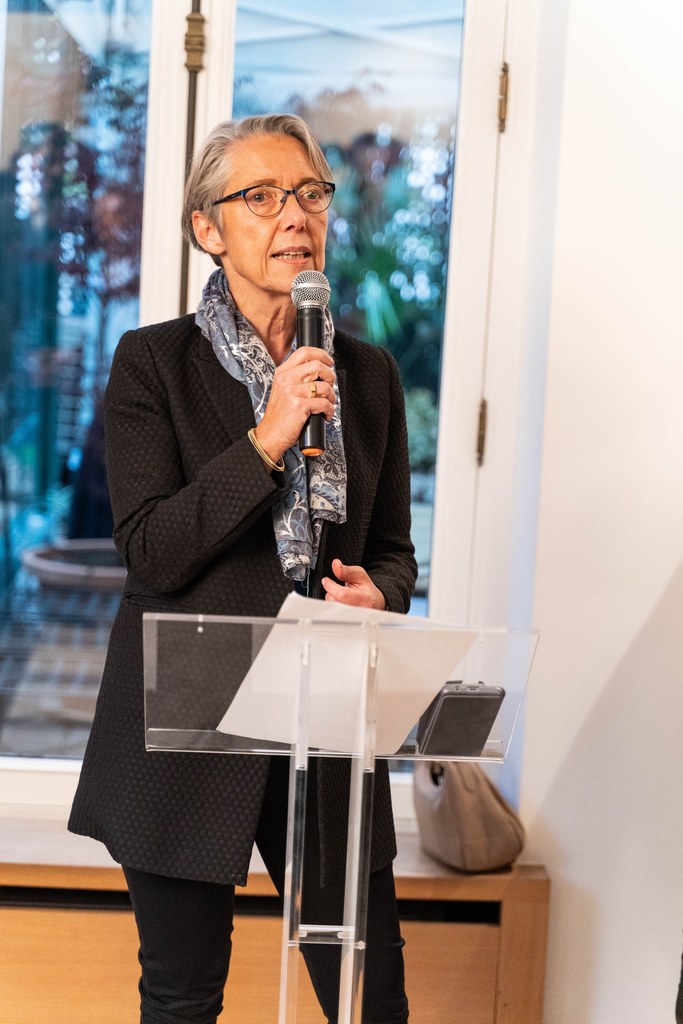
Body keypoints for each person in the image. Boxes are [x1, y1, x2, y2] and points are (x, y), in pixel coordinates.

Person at [68, 113, 417, 1024]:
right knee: (182, 999)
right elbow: (150, 548)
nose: (293, 215)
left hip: (324, 714)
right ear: (208, 229)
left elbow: (391, 550)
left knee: (369, 1000)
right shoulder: (153, 364)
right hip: (189, 716)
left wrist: (381, 593)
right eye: (260, 197)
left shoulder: (368, 375)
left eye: (309, 194)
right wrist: (266, 438)